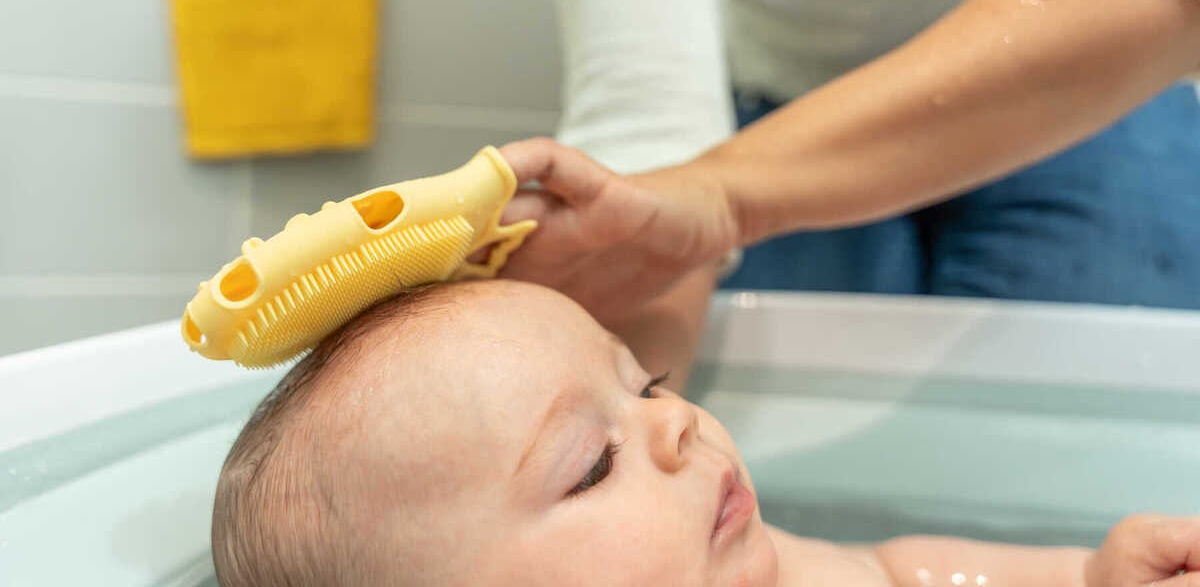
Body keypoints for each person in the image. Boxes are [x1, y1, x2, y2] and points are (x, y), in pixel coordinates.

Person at [416, 0, 1200, 384]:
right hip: (778, 120)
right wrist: (626, 414)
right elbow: (649, 128)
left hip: (1095, 89)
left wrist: (723, 194)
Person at [210, 280, 1199, 586]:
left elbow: (902, 572)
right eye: (592, 464)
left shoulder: (772, 566)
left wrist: (1083, 575)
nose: (675, 420)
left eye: (646, 384)